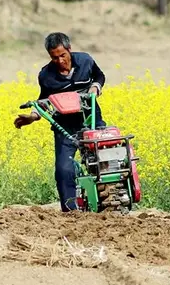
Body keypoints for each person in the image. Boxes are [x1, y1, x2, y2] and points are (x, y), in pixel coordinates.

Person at [13, 32, 107, 212]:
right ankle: (71, 213)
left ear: (69, 49)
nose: (60, 61)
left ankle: (108, 204)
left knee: (105, 164)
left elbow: (99, 76)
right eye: (54, 57)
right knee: (64, 170)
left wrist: (96, 87)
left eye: (63, 55)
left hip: (92, 119)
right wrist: (32, 117)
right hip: (65, 127)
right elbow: (44, 100)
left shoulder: (86, 61)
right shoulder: (46, 75)